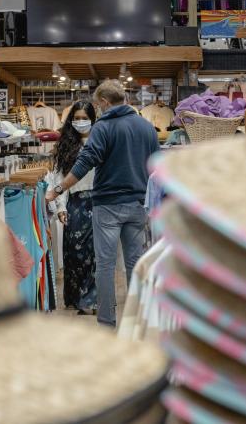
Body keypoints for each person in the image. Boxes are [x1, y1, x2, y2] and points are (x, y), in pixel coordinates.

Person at [51, 80, 159, 327]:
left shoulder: (103, 127)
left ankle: (108, 321)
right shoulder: (147, 128)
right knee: (135, 264)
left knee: (106, 266)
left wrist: (58, 189)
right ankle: (137, 320)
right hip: (138, 204)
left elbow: (85, 161)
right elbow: (157, 168)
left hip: (108, 205)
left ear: (104, 102)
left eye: (98, 105)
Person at [47, 101, 98, 315]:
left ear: (93, 119)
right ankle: (74, 296)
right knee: (74, 251)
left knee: (95, 252)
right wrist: (60, 206)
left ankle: (90, 300)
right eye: (76, 118)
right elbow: (58, 177)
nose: (80, 122)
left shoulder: (100, 141)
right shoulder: (66, 145)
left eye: (84, 118)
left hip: (98, 201)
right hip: (75, 202)